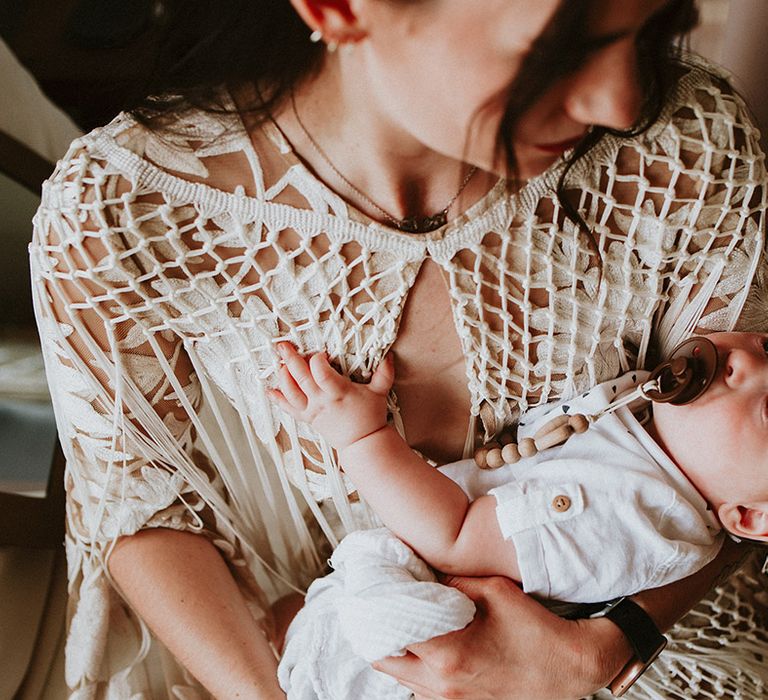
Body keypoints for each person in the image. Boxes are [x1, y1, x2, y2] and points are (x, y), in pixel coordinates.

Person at [28, 0, 768, 698]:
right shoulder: (121, 210)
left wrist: (601, 651)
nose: (621, 103)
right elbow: (143, 510)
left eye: (645, 31)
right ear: (339, 8)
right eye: (560, 48)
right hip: (322, 653)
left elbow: (742, 478)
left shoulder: (682, 139)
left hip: (657, 639)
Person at [269, 331, 768, 698]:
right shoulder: (651, 427)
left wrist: (361, 437)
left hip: (391, 657)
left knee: (301, 642)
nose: (741, 360)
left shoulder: (634, 520)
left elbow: (455, 536)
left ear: (748, 516)